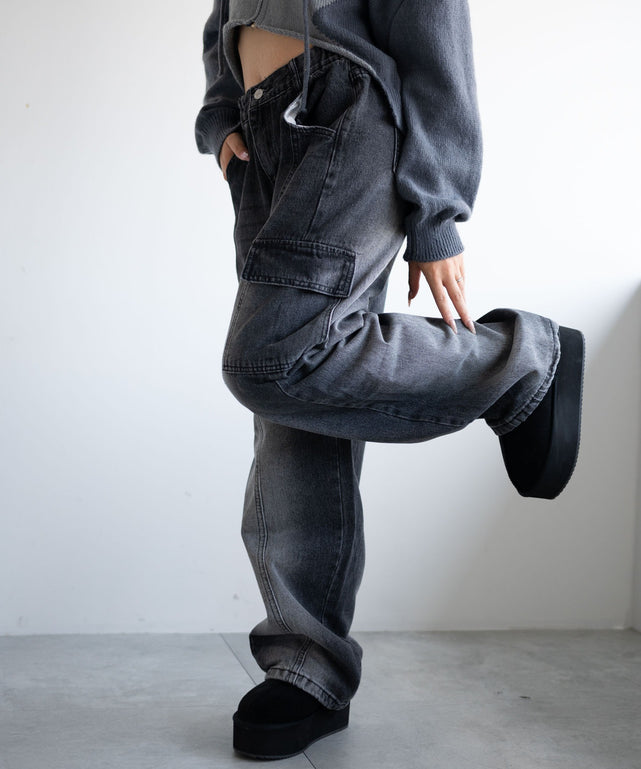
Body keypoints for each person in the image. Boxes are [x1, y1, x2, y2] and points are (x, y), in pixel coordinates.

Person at [195, 0, 585, 760]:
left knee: (277, 358)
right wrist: (221, 111)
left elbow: (434, 33)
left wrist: (436, 208)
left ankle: (519, 361)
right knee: (299, 402)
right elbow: (223, 14)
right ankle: (307, 663)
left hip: (343, 104)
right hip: (263, 125)